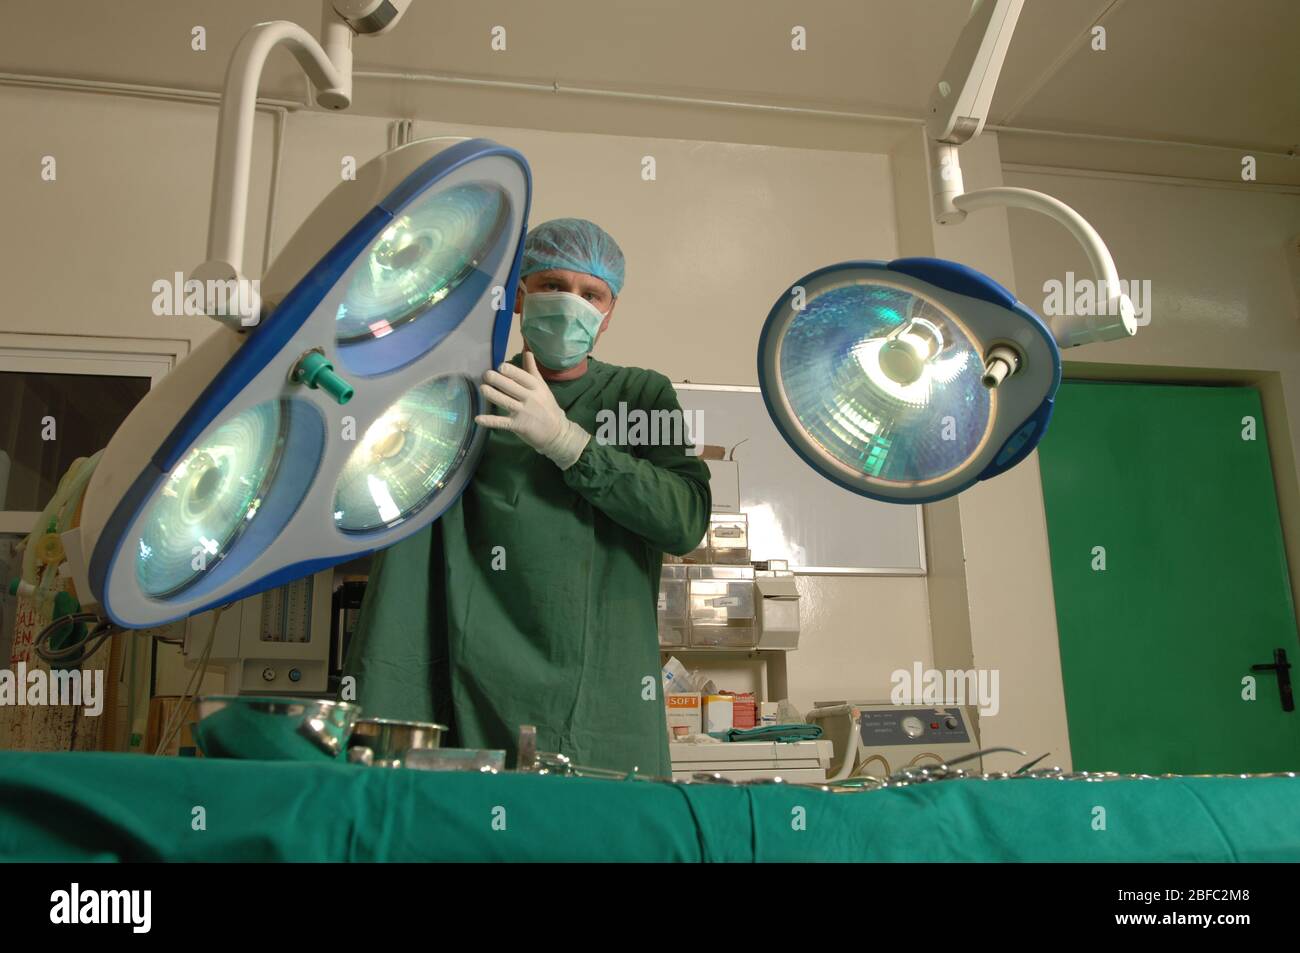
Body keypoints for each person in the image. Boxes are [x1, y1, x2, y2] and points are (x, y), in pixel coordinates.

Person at [344, 218, 711, 776]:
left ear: (609, 315)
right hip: (468, 690)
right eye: (552, 286)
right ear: (518, 297)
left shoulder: (639, 396)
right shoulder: (462, 393)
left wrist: (570, 443)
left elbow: (684, 520)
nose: (571, 302)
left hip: (601, 701)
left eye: (592, 294)